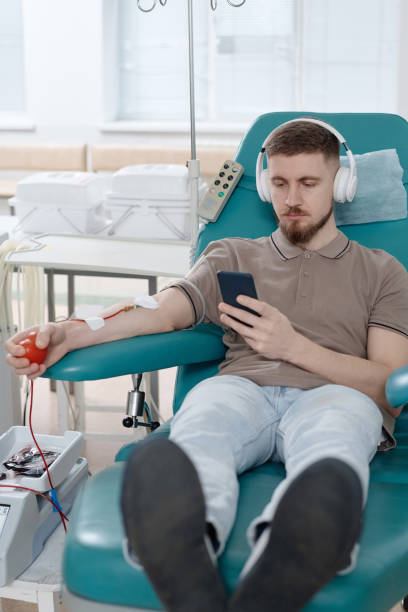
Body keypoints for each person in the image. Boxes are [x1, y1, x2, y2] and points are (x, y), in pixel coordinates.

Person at [5, 120, 408, 612]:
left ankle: (297, 544)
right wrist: (70, 329)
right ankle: (184, 546)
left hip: (336, 393)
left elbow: (389, 386)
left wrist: (294, 347)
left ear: (340, 184)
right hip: (242, 389)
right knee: (204, 423)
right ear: (264, 185)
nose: (292, 198)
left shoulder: (382, 270)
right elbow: (158, 308)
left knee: (335, 439)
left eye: (309, 183)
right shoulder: (233, 256)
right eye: (280, 183)